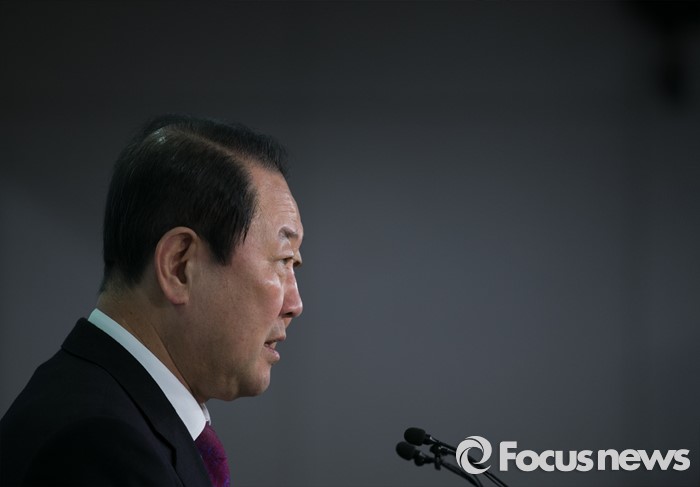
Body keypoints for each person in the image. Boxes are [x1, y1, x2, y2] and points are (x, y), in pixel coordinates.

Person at [0, 115, 304, 486]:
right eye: (283, 261)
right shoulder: (98, 447)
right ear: (179, 266)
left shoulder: (108, 410)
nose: (295, 304)